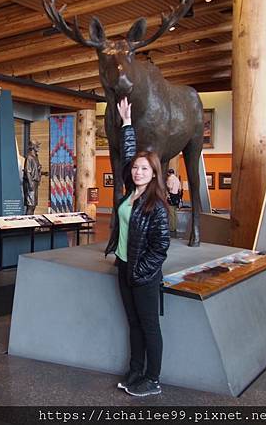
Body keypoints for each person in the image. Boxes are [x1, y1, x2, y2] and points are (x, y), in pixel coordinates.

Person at [105, 97, 170, 397]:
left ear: (154, 173)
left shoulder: (156, 204)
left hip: (143, 275)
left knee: (149, 326)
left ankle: (152, 379)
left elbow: (161, 246)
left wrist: (141, 272)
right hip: (124, 267)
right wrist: (127, 124)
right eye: (136, 169)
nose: (138, 172)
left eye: (145, 169)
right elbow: (130, 154)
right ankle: (135, 372)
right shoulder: (130, 193)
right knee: (133, 323)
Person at [23, 140, 42, 215]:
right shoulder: (29, 157)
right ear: (33, 147)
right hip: (31, 183)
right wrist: (30, 183)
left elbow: (34, 170)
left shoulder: (35, 157)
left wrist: (39, 169)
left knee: (33, 205)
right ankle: (27, 223)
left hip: (35, 183)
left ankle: (30, 221)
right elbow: (27, 171)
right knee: (30, 205)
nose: (39, 147)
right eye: (37, 146)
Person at [166, 168, 182, 236]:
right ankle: (175, 227)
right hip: (176, 197)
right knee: (175, 213)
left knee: (171, 214)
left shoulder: (170, 179)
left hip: (171, 197)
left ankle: (172, 228)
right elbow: (180, 189)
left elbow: (169, 187)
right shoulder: (177, 179)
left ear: (169, 173)